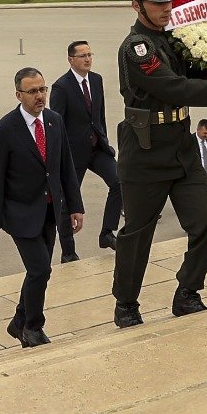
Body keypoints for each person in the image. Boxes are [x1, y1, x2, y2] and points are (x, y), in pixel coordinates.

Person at [111, 0, 207, 329]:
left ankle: (187, 292)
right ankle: (127, 304)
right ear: (136, 4)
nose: (166, 7)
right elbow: (172, 87)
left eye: (168, 0)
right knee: (137, 233)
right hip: (145, 151)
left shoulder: (173, 39)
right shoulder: (136, 49)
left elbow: (198, 71)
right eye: (157, 2)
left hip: (180, 147)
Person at [0, 67, 84, 348]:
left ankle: (18, 321)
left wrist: (75, 206)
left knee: (39, 270)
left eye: (43, 89)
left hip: (50, 211)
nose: (40, 96)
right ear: (19, 94)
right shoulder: (5, 129)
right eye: (33, 91)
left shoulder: (54, 121)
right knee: (40, 269)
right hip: (20, 213)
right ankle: (32, 326)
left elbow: (66, 168)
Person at [48, 39, 121, 260]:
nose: (88, 59)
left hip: (97, 147)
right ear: (71, 60)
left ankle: (107, 232)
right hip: (72, 153)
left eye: (90, 54)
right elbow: (56, 124)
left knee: (120, 181)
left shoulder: (97, 80)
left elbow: (100, 115)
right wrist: (59, 156)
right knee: (67, 201)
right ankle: (68, 252)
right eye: (83, 56)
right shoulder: (61, 87)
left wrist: (105, 141)